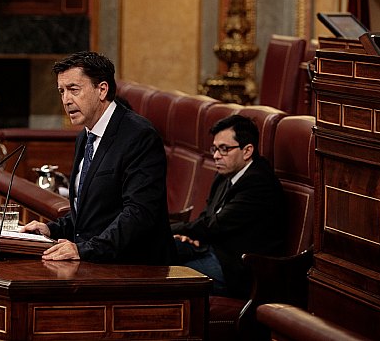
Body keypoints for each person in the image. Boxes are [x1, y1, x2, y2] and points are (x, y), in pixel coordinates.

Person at [21, 51, 175, 265]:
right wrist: (51, 229)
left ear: (102, 89)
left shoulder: (139, 135)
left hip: (133, 269)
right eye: (61, 91)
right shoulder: (86, 135)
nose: (66, 100)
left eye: (73, 89)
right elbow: (91, 214)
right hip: (96, 262)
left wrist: (85, 250)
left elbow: (139, 215)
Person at [171, 114, 286, 298]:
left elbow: (215, 225)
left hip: (238, 268)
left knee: (169, 276)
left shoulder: (259, 183)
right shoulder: (226, 173)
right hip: (213, 249)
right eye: (215, 148)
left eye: (224, 149)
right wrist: (188, 235)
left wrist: (170, 229)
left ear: (247, 151)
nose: (216, 156)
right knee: (154, 249)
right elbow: (207, 217)